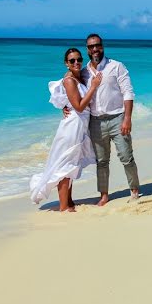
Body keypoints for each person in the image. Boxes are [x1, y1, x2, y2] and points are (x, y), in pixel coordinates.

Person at [30, 48, 103, 211]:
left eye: (79, 59)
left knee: (71, 163)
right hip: (72, 126)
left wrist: (64, 105)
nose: (76, 63)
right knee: (66, 164)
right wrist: (93, 86)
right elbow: (78, 106)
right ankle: (64, 206)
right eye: (72, 61)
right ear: (66, 64)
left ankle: (69, 201)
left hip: (79, 125)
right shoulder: (70, 80)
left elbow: (66, 100)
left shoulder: (77, 77)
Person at [81, 33, 141, 205]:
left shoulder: (116, 66)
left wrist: (127, 118)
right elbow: (75, 91)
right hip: (95, 122)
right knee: (101, 161)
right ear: (87, 49)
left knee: (126, 156)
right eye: (91, 47)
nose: (95, 49)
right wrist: (65, 107)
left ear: (102, 46)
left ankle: (134, 190)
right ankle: (104, 195)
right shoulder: (84, 72)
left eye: (97, 45)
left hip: (117, 118)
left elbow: (128, 92)